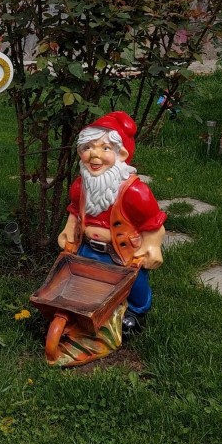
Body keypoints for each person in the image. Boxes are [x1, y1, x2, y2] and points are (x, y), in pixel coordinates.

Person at [58, 111, 166, 334]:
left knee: (133, 282)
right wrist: (69, 229)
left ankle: (135, 311)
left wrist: (152, 245)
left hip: (122, 250)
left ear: (121, 154)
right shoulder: (80, 186)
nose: (94, 155)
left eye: (105, 148)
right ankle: (88, 307)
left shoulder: (134, 192)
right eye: (87, 148)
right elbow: (75, 211)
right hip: (88, 247)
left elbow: (153, 222)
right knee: (83, 276)